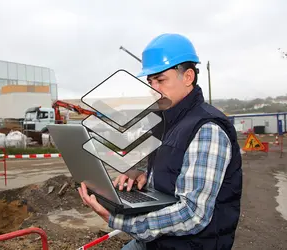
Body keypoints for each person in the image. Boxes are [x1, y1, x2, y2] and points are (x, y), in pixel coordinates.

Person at [78, 33, 243, 250]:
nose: (153, 89)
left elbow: (192, 214)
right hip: (158, 241)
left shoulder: (207, 128)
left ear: (188, 77)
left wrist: (119, 219)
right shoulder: (166, 120)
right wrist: (139, 176)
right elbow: (173, 172)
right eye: (150, 81)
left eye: (161, 80)